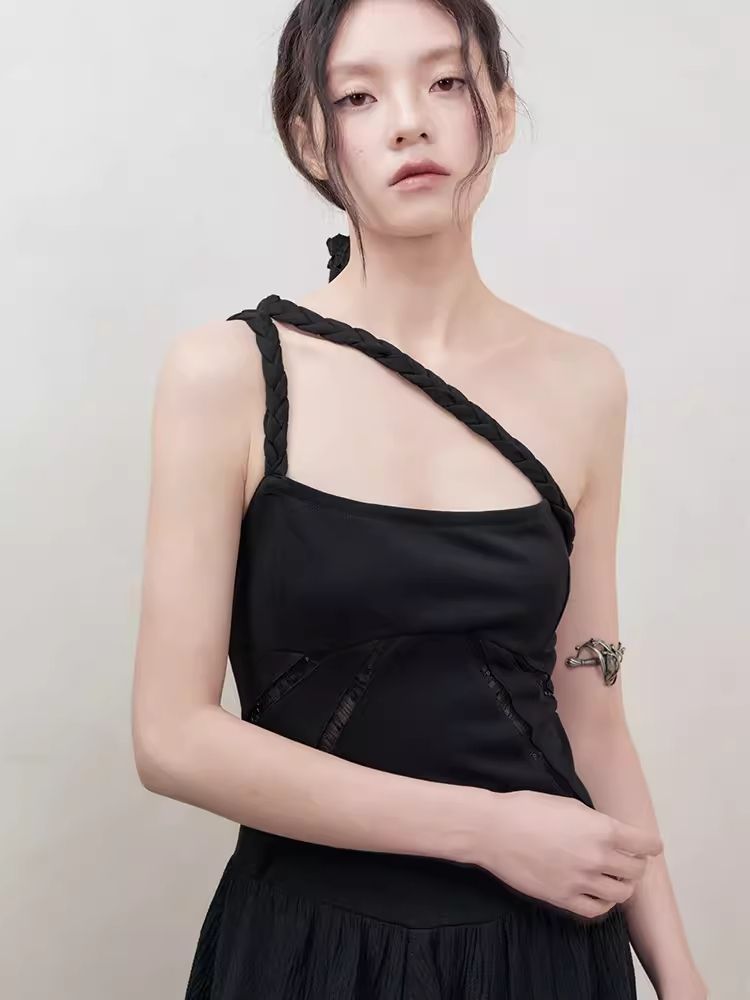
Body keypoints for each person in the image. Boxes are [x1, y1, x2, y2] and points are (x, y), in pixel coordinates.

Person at [131, 1, 708, 997]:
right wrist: (486, 829)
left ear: (501, 110)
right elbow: (171, 736)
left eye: (446, 81)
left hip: (545, 951)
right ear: (311, 139)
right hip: (312, 950)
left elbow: (593, 712)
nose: (409, 121)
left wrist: (682, 978)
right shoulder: (228, 374)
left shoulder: (584, 383)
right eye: (359, 96)